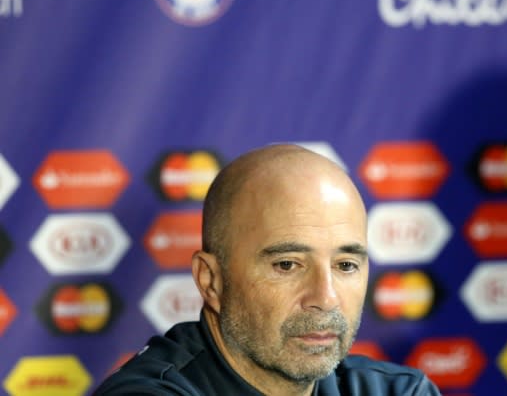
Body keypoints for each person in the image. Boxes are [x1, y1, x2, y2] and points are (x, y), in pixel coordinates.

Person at [93, 144, 441, 396]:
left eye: (345, 265)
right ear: (210, 281)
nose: (325, 298)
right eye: (287, 265)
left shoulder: (399, 392)